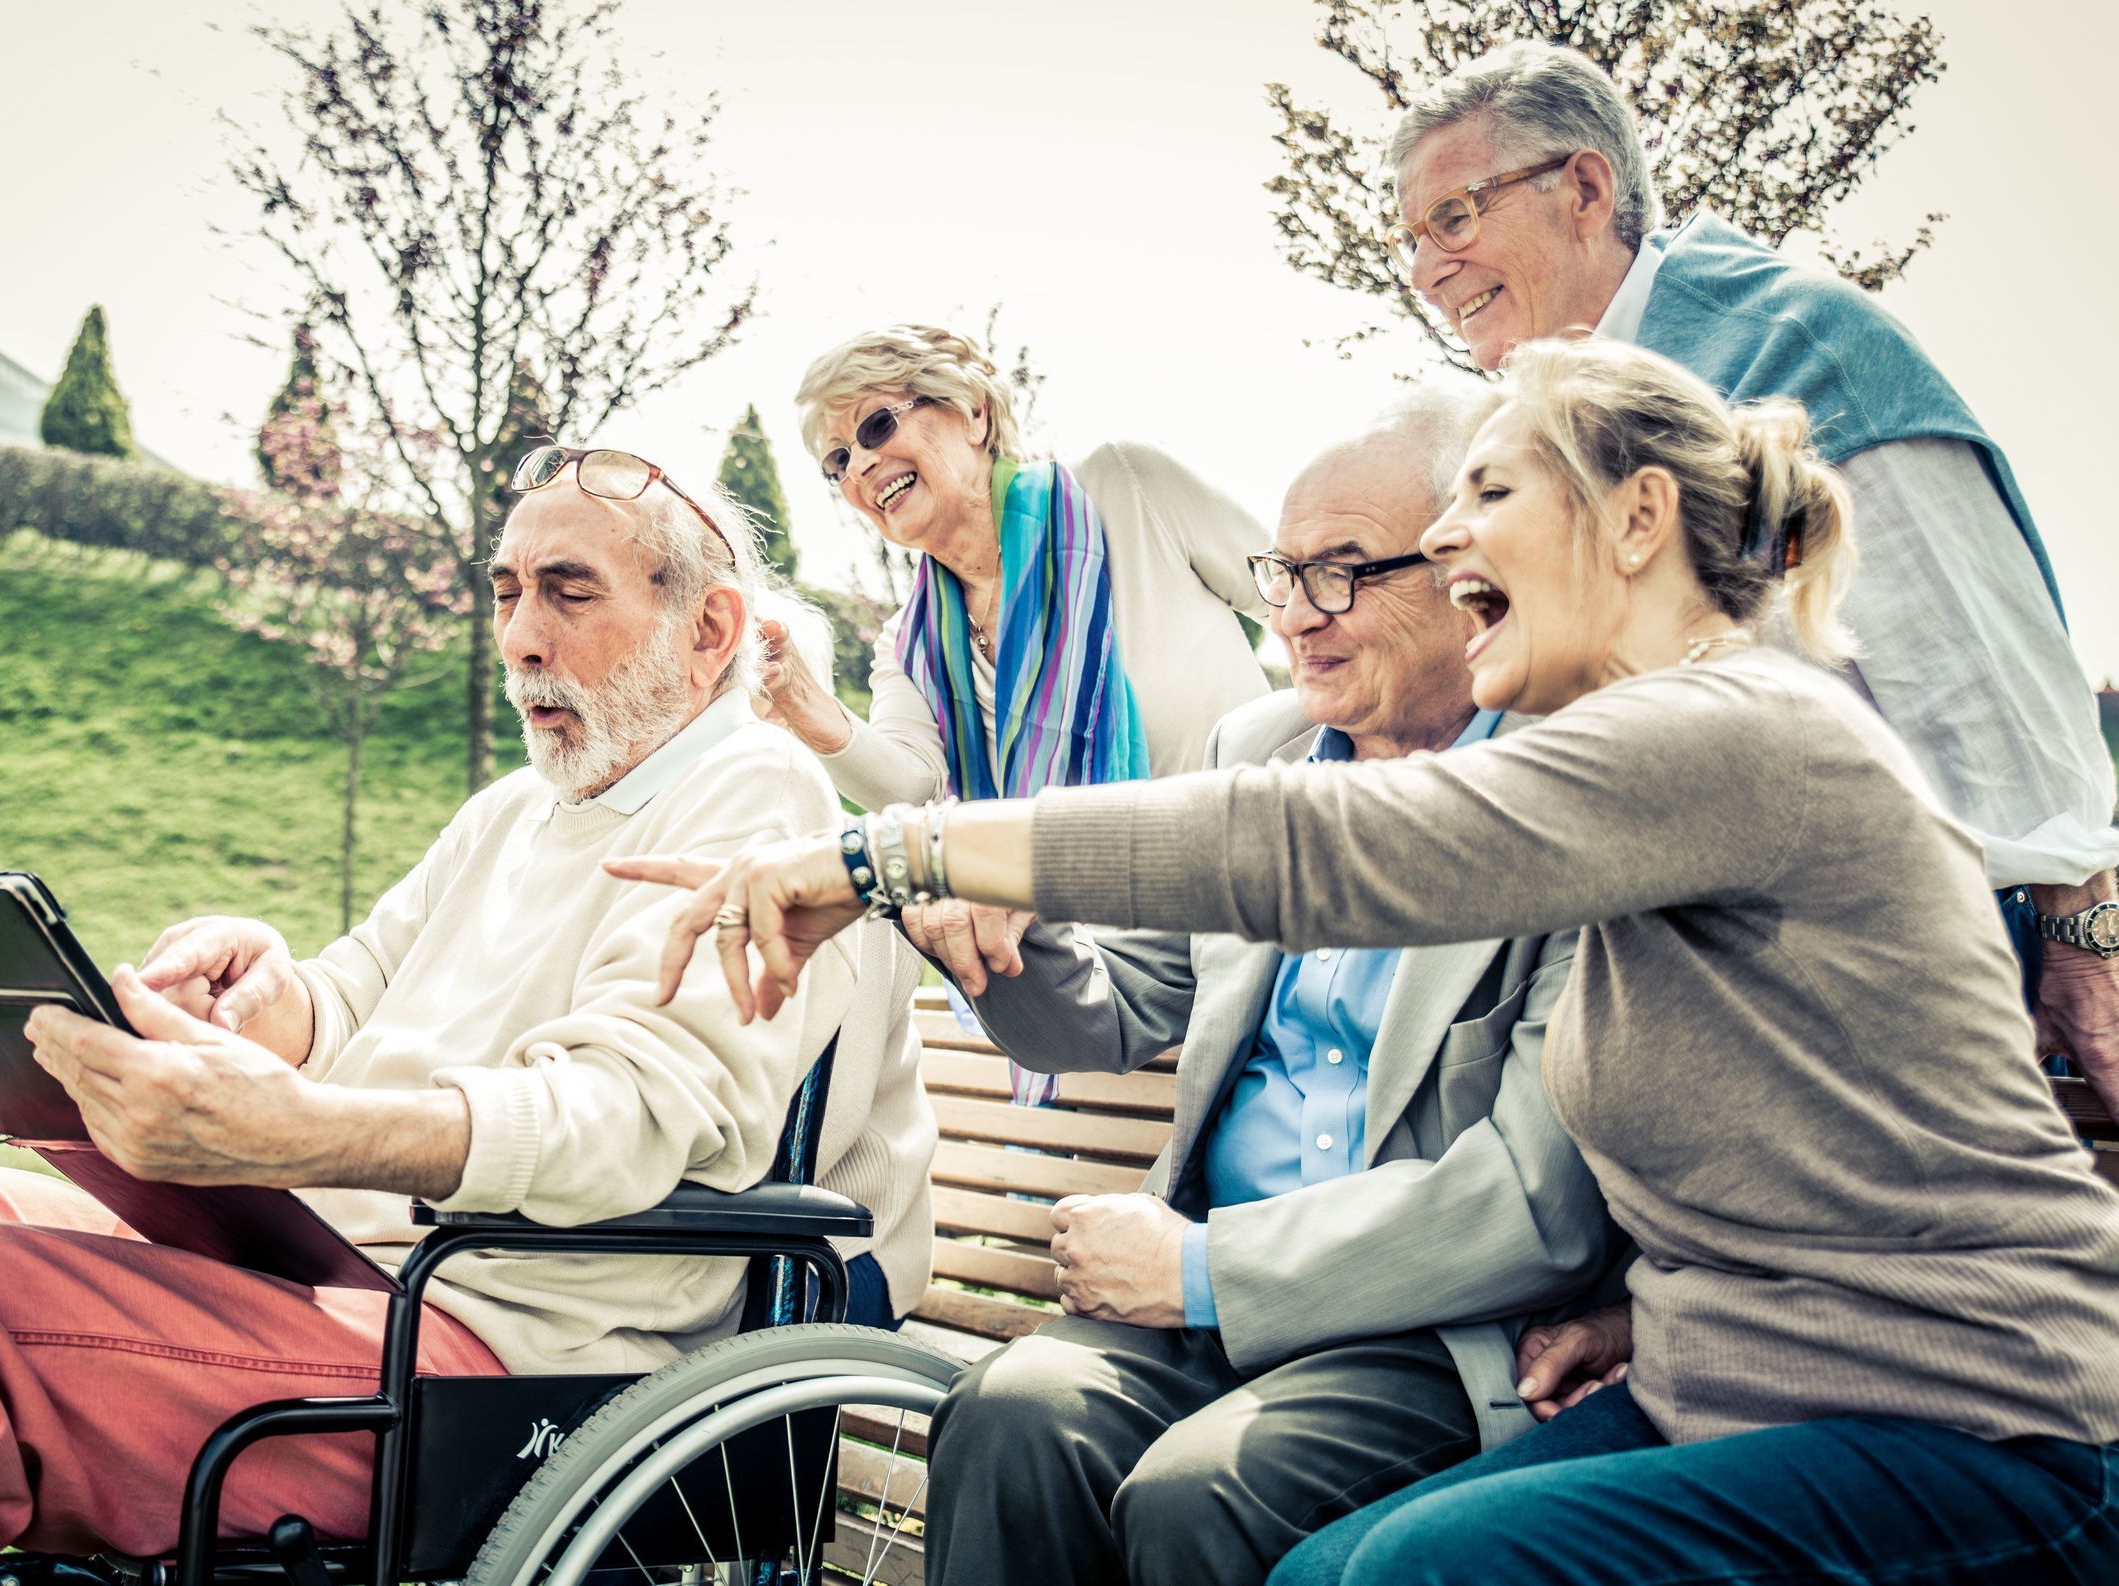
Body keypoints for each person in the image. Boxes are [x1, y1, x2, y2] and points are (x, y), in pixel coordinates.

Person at [610, 338, 2119, 1586]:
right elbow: (1766, 1132)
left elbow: (1324, 852)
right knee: (1045, 1427)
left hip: (1981, 1420)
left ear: (1638, 517)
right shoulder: (1639, 759)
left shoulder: (1727, 729)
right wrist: (1648, 1297)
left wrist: (886, 851)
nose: (1453, 539)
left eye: (1489, 493)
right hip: (1724, 1380)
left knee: (1355, 1572)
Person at [0, 445, 934, 1583]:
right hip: (337, 1270)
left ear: (709, 627)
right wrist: (266, 995)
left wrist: (301, 1133)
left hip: (504, 1346)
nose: (517, 637)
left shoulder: (758, 800)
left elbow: (623, 1114)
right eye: (507, 590)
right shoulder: (512, 811)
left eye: (569, 592)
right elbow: (352, 991)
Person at [893, 387, 1613, 1586]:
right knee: (1013, 1412)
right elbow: (1122, 1003)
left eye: (1343, 572)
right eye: (1283, 573)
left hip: (1418, 1330)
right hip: (1198, 1305)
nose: (1295, 618)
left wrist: (1199, 1268)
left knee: (1201, 1494)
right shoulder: (1259, 750)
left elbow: (1537, 1197)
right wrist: (1004, 943)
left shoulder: (1562, 792)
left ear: (1467, 571)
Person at [1381, 40, 2119, 1112]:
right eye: (1410, 239)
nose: (1425, 269)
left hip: (1874, 1006)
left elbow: (1981, 671)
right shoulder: (1549, 419)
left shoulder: (1804, 347)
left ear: (1585, 188)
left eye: (1454, 216)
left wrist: (2080, 929)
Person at [758, 323, 1272, 809]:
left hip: (1269, 862)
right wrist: (798, 694)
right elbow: (914, 789)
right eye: (838, 462)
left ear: (973, 413)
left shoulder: (1126, 489)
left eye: (877, 425)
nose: (861, 466)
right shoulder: (907, 643)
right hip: (1090, 901)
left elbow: (1307, 597)